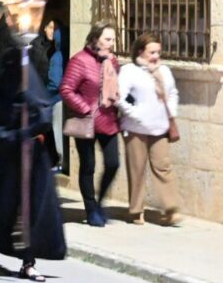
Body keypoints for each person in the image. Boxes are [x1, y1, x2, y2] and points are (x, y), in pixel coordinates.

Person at [0, 48, 66, 283]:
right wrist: (18, 134)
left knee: (33, 211)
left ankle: (29, 261)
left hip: (34, 162)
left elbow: (44, 117)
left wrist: (36, 124)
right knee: (6, 211)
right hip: (8, 163)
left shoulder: (34, 92)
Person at [60, 20, 121, 227]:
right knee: (88, 166)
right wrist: (85, 109)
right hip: (86, 121)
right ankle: (91, 207)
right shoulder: (79, 60)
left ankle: (100, 202)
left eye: (113, 39)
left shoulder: (112, 61)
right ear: (95, 38)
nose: (111, 43)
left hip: (108, 120)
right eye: (107, 39)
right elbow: (66, 89)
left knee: (113, 163)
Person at [117, 32, 182, 226]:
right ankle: (136, 211)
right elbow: (119, 97)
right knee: (137, 170)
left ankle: (171, 208)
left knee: (163, 167)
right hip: (136, 128)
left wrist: (171, 112)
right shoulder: (129, 70)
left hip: (160, 127)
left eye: (158, 52)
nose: (155, 56)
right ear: (140, 51)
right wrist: (136, 113)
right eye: (151, 52)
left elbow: (173, 93)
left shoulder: (164, 71)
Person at [31, 20, 65, 171]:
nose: (52, 31)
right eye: (50, 27)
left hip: (52, 96)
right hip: (43, 96)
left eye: (55, 28)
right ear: (44, 28)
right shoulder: (38, 46)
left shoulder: (58, 55)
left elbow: (54, 79)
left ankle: (58, 161)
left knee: (55, 130)